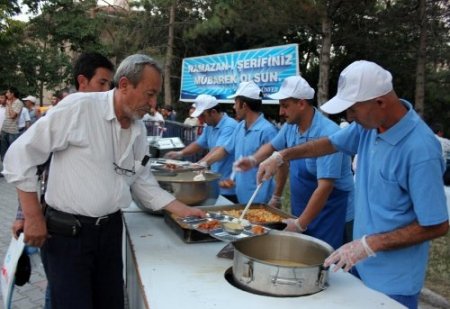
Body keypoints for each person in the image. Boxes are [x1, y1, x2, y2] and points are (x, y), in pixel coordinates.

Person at [3, 54, 205, 309]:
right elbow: (20, 156)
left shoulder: (138, 129)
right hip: (69, 236)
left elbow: (142, 182)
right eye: (149, 94)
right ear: (123, 85)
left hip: (110, 232)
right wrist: (31, 215)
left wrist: (186, 211)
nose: (153, 104)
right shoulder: (79, 108)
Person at [254, 60, 449, 309]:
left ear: (380, 102)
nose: (348, 117)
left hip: (393, 283)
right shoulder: (368, 128)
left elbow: (437, 225)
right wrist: (281, 156)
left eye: (353, 110)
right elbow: (326, 144)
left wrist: (370, 244)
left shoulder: (420, 149)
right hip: (360, 267)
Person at [236, 76, 354, 249]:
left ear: (301, 103)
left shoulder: (328, 133)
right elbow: (272, 147)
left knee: (327, 262)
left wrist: (300, 224)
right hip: (302, 206)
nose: (281, 112)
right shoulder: (291, 127)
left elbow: (325, 187)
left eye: (285, 106)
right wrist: (254, 160)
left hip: (332, 212)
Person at [199, 81, 281, 206]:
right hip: (241, 198)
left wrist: (276, 198)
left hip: (260, 200)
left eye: (235, 103)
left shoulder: (267, 131)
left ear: (244, 105)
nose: (234, 107)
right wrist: (204, 163)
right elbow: (225, 149)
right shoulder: (240, 127)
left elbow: (280, 165)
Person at [165, 94, 238, 202]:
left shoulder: (229, 126)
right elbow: (199, 144)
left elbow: (219, 150)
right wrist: (180, 153)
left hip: (229, 185)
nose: (200, 120)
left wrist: (200, 164)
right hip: (216, 181)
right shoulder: (209, 126)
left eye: (202, 116)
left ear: (213, 112)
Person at [0, 87, 23, 160]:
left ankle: (11, 169)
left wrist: (9, 105)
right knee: (3, 152)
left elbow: (13, 116)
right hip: (4, 130)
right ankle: (4, 169)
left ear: (12, 94)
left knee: (12, 152)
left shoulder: (18, 103)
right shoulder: (8, 102)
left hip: (12, 132)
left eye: (8, 93)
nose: (6, 95)